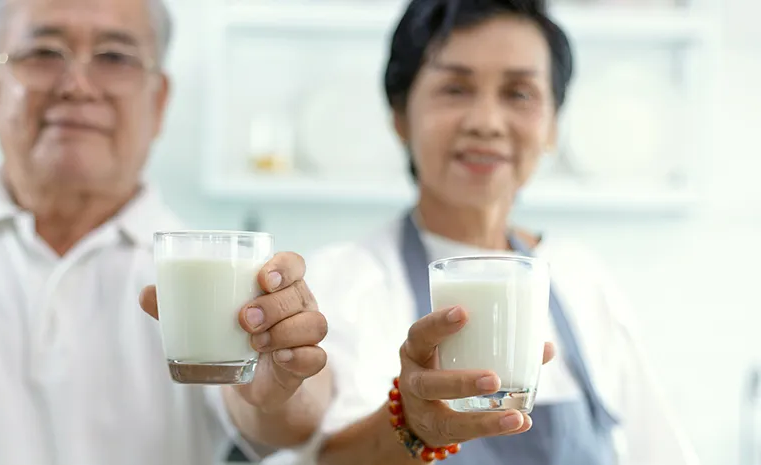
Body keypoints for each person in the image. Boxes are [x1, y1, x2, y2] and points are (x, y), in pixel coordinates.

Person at [0, 0, 332, 463]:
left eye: (115, 58)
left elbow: (278, 420)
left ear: (160, 99)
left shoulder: (216, 274)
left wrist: (285, 381)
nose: (77, 84)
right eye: (43, 53)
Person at [282, 0, 700, 464]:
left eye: (519, 93)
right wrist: (414, 425)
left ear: (553, 125)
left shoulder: (582, 278)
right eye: (455, 89)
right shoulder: (344, 281)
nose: (485, 122)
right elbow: (322, 459)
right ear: (400, 115)